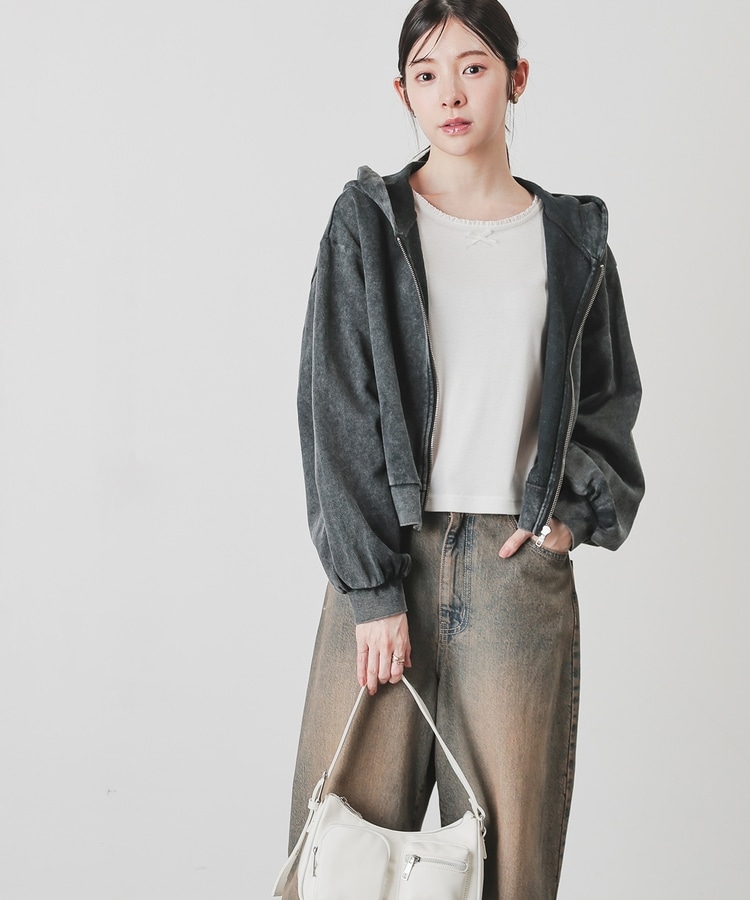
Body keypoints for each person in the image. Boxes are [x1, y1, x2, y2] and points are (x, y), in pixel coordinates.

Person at [282, 1, 644, 897]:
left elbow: (606, 397)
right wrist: (373, 592)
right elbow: (336, 406)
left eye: (474, 67)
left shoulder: (573, 239)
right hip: (389, 558)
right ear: (402, 90)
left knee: (511, 868)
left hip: (515, 572)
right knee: (341, 858)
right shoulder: (367, 223)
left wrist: (567, 519)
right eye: (428, 73)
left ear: (517, 79)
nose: (450, 93)